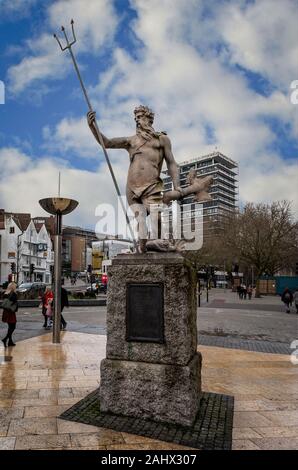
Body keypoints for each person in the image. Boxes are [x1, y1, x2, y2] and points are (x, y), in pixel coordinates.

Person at [87, 105, 183, 253]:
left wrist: (177, 186)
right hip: (132, 187)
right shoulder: (131, 141)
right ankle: (143, 247)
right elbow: (106, 143)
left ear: (149, 119)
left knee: (156, 217)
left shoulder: (162, 140)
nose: (137, 120)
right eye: (136, 118)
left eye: (140, 117)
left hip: (151, 185)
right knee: (141, 219)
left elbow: (171, 163)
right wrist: (92, 126)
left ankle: (155, 245)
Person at [1, 282, 18, 347]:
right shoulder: (13, 294)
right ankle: (5, 339)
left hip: (6, 311)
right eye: (15, 287)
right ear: (13, 287)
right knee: (13, 327)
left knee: (10, 327)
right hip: (11, 311)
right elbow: (14, 301)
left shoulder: (5, 293)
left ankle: (10, 342)